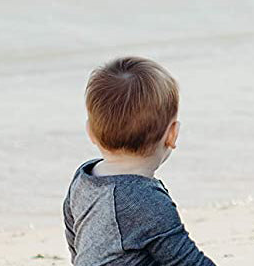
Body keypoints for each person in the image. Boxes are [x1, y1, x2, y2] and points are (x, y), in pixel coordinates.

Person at [64, 56, 215, 265]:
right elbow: (188, 262)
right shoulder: (146, 200)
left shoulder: (83, 178)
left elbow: (75, 241)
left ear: (90, 131)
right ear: (172, 134)